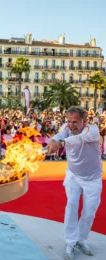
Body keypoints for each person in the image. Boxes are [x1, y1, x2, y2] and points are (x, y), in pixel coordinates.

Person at [47, 106, 102, 260]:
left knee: (89, 212)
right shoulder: (67, 127)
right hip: (73, 175)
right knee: (71, 205)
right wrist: (53, 140)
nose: (71, 125)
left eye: (75, 122)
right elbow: (60, 134)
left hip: (93, 178)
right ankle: (70, 243)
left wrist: (61, 143)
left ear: (84, 121)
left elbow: (77, 139)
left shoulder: (92, 131)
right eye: (69, 121)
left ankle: (81, 240)